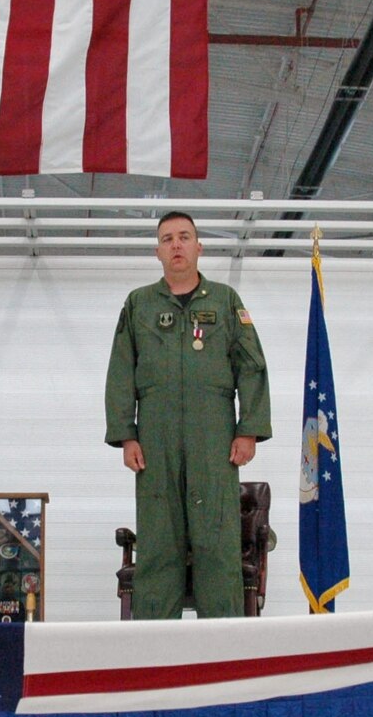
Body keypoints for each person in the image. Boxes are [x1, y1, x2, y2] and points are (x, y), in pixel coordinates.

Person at [105, 211, 271, 618]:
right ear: (158, 251)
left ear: (199, 247)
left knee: (216, 543)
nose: (176, 245)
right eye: (167, 239)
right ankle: (156, 658)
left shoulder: (226, 301)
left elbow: (251, 366)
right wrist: (127, 435)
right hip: (155, 441)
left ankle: (224, 655)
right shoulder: (139, 304)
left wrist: (248, 429)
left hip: (214, 437)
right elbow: (121, 370)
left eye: (184, 237)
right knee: (159, 545)